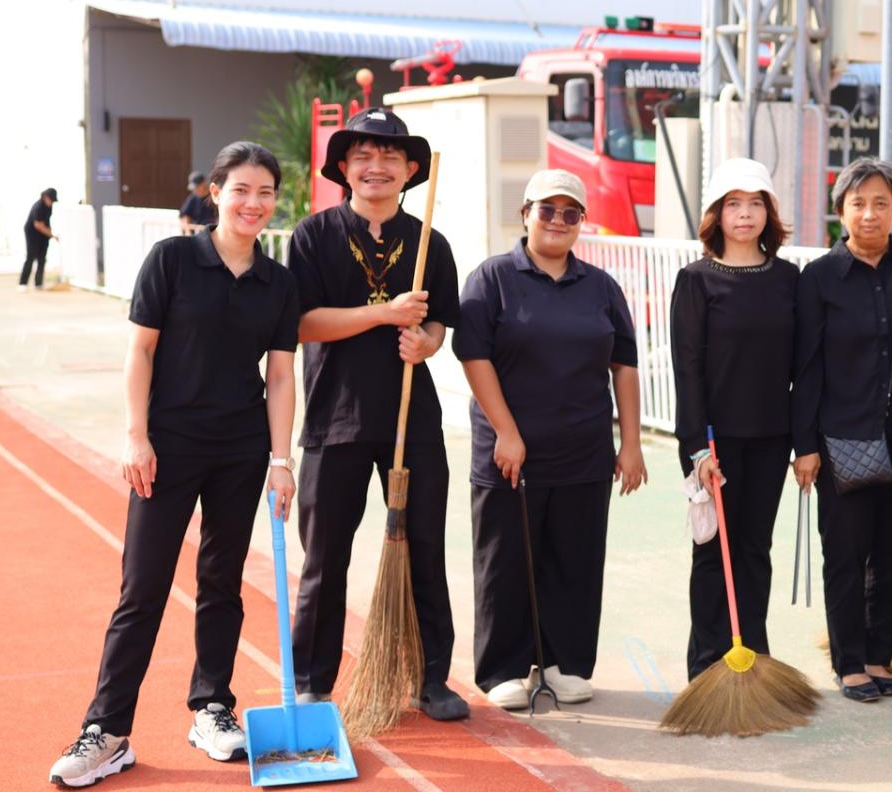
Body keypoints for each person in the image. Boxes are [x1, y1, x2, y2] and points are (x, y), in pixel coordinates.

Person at [49, 142, 300, 788]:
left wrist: (280, 460)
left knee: (222, 582)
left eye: (265, 193)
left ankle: (211, 707)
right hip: (168, 447)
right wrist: (136, 437)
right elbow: (140, 352)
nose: (253, 203)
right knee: (143, 587)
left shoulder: (278, 282)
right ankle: (107, 730)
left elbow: (280, 376)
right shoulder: (172, 259)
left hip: (241, 450)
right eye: (241, 190)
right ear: (215, 192)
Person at [285, 107, 468, 721]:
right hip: (334, 418)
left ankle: (429, 678)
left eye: (390, 156)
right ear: (343, 167)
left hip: (411, 423)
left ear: (411, 169)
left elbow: (439, 321)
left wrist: (427, 343)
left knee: (423, 550)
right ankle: (312, 680)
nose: (376, 166)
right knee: (324, 558)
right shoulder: (312, 236)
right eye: (362, 156)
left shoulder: (430, 241)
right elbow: (304, 324)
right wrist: (384, 314)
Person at [455, 169, 647, 711]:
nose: (558, 221)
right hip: (509, 453)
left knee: (575, 560)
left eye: (570, 213)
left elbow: (624, 365)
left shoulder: (601, 287)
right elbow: (474, 356)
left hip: (584, 449)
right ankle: (504, 668)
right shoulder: (492, 278)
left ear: (581, 221)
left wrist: (630, 443)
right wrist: (507, 432)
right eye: (547, 209)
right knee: (506, 561)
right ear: (526, 214)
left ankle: (566, 662)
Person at [793, 158, 892, 702]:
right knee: (845, 552)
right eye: (858, 203)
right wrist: (805, 445)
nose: (870, 214)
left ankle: (881, 653)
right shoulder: (819, 278)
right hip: (842, 438)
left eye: (882, 203)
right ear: (841, 211)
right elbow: (806, 366)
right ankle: (849, 660)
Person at [670, 157, 798, 680]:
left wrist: (804, 441)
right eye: (733, 204)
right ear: (716, 215)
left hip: (771, 437)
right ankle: (707, 666)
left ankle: (755, 662)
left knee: (754, 549)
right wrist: (697, 448)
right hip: (713, 441)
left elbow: (802, 366)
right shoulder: (695, 280)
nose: (745, 214)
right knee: (711, 552)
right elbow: (688, 369)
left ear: (769, 213)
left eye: (755, 204)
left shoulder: (788, 278)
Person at [19, 187, 59, 290]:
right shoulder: (38, 207)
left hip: (43, 235)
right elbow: (38, 225)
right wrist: (52, 235)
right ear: (45, 197)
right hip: (32, 234)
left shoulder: (49, 207)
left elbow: (46, 222)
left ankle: (38, 283)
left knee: (42, 258)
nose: (51, 203)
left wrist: (50, 233)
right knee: (30, 257)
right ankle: (23, 283)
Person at [178, 169, 218, 233]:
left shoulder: (214, 197)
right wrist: (187, 231)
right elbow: (184, 215)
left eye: (197, 187)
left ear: (204, 183)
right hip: (195, 233)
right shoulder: (192, 198)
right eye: (194, 188)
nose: (195, 189)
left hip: (212, 232)